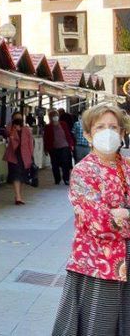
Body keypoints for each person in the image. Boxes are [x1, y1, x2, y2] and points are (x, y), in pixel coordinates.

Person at [52, 103, 130, 335]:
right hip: (98, 263)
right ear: (87, 134)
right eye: (100, 127)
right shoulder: (83, 172)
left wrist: (121, 213)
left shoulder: (126, 167)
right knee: (98, 325)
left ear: (123, 133)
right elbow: (100, 223)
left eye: (114, 127)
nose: (108, 132)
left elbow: (111, 217)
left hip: (126, 258)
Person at [4, 111, 33, 205]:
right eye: (16, 118)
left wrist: (31, 154)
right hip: (14, 155)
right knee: (16, 175)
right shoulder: (11, 128)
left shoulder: (26, 129)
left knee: (23, 176)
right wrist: (13, 127)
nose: (18, 119)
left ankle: (19, 195)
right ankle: (18, 197)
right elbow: (7, 133)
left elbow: (30, 142)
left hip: (25, 156)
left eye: (20, 118)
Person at [45, 109, 75, 185]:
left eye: (56, 116)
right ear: (50, 117)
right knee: (54, 164)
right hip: (53, 148)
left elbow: (68, 134)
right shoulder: (48, 127)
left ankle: (66, 179)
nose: (55, 117)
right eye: (53, 116)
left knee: (65, 163)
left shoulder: (63, 124)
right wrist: (46, 148)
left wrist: (71, 144)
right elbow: (46, 138)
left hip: (65, 146)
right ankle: (57, 179)